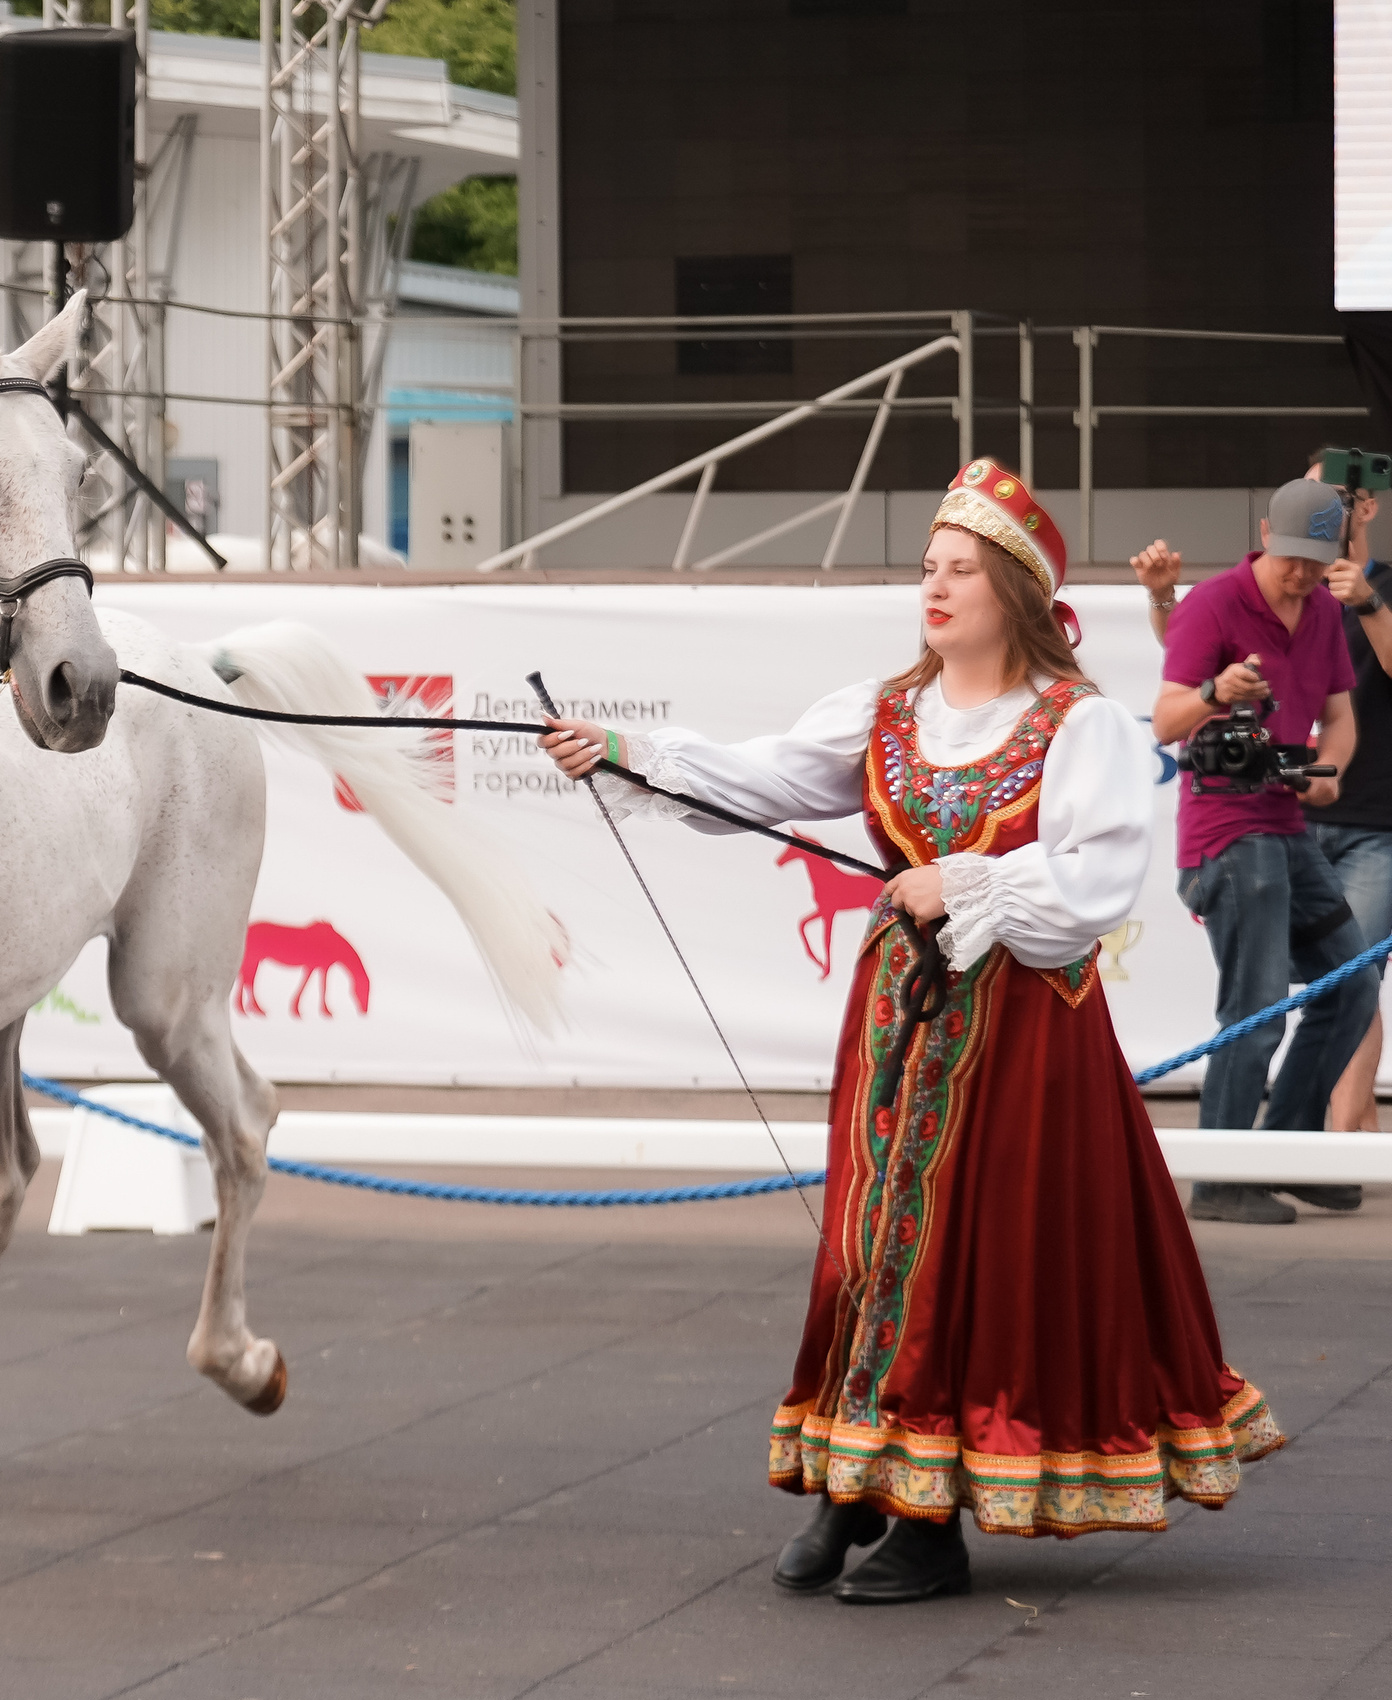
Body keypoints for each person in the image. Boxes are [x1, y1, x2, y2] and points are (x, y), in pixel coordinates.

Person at [540, 461, 1284, 1603]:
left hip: (1021, 1032)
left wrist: (966, 881)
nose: (932, 589)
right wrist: (629, 754)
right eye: (926, 568)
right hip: (898, 1020)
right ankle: (856, 1485)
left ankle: (928, 1519)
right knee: (872, 1243)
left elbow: (1097, 876)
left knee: (970, 1258)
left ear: (1015, 591)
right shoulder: (887, 710)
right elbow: (766, 779)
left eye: (958, 570)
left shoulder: (1072, 723)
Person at [1139, 463, 1392, 1156]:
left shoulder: (1322, 614)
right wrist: (1217, 692)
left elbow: (1339, 716)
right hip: (1225, 830)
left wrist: (1327, 774)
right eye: (1292, 560)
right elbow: (1164, 721)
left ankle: (1290, 1150)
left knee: (1353, 985)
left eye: (1319, 562)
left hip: (1289, 824)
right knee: (1255, 1011)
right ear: (1262, 536)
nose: (1303, 576)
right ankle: (1227, 1173)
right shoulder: (1215, 603)